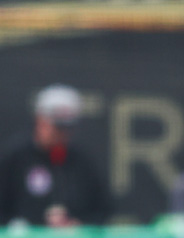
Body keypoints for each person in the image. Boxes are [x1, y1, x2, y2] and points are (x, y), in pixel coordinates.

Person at [0, 84, 110, 228]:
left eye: (68, 127)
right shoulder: (15, 158)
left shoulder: (83, 162)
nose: (63, 133)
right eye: (58, 127)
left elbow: (103, 209)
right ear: (40, 120)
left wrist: (78, 224)